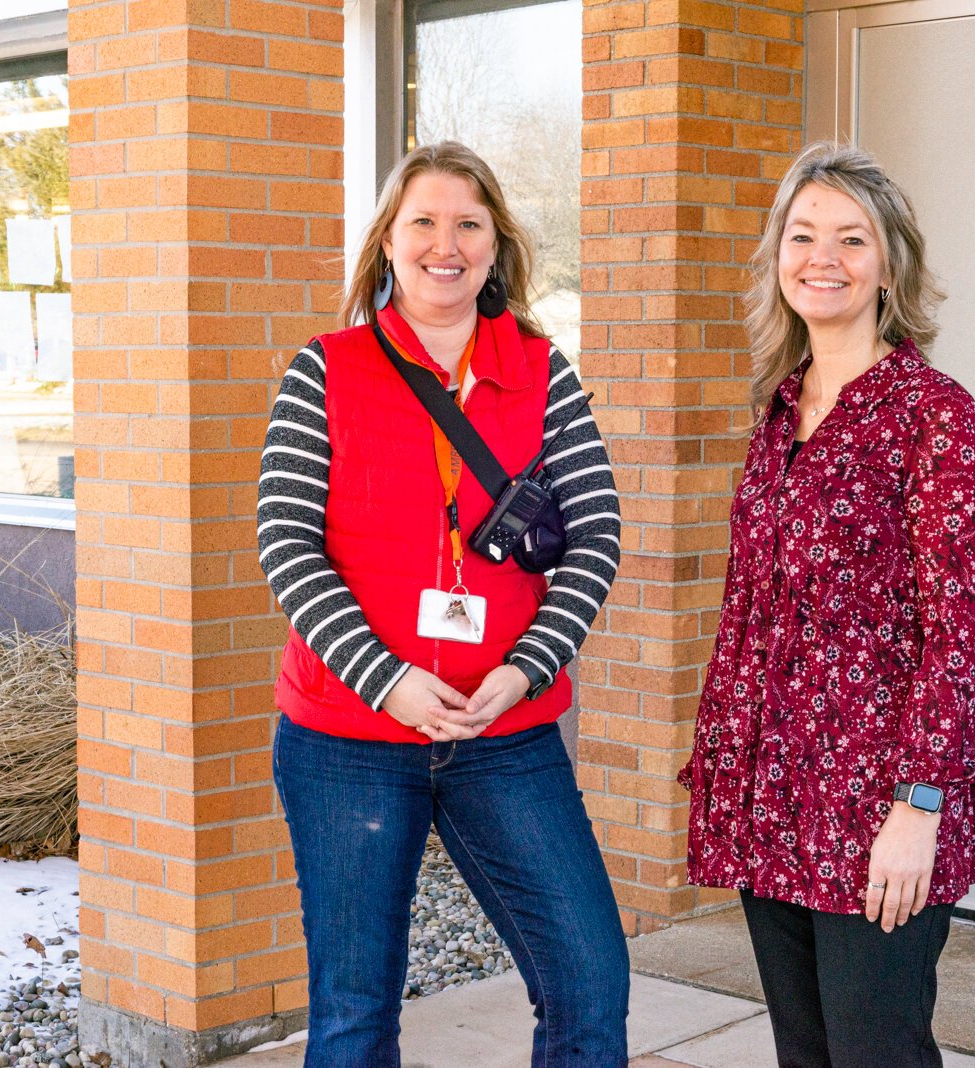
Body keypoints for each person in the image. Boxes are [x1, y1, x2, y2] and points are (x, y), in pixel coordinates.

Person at [257, 141, 629, 1067]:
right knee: (353, 1012)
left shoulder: (543, 373)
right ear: (388, 241)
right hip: (348, 739)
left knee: (590, 979)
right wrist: (386, 682)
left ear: (496, 245)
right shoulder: (326, 369)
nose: (444, 243)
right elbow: (286, 543)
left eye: (468, 223)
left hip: (504, 736)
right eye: (422, 221)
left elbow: (598, 538)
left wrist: (524, 669)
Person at [678, 141, 975, 1068]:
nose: (823, 257)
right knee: (806, 1055)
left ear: (890, 264)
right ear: (778, 256)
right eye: (804, 234)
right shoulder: (778, 414)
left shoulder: (939, 419)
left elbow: (959, 639)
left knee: (876, 1054)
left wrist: (920, 808)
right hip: (772, 798)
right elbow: (750, 613)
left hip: (876, 807)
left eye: (851, 239)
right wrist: (723, 765)